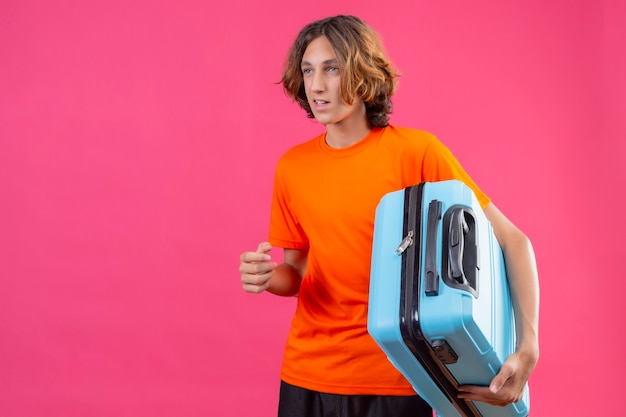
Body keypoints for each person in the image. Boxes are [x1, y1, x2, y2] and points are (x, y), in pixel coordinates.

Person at [239, 15, 539, 417]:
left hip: (398, 375)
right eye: (308, 70)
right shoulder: (292, 168)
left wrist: (528, 346)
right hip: (306, 373)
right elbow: (296, 273)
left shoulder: (417, 153)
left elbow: (513, 241)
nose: (316, 85)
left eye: (332, 68)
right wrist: (266, 276)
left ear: (363, 72)